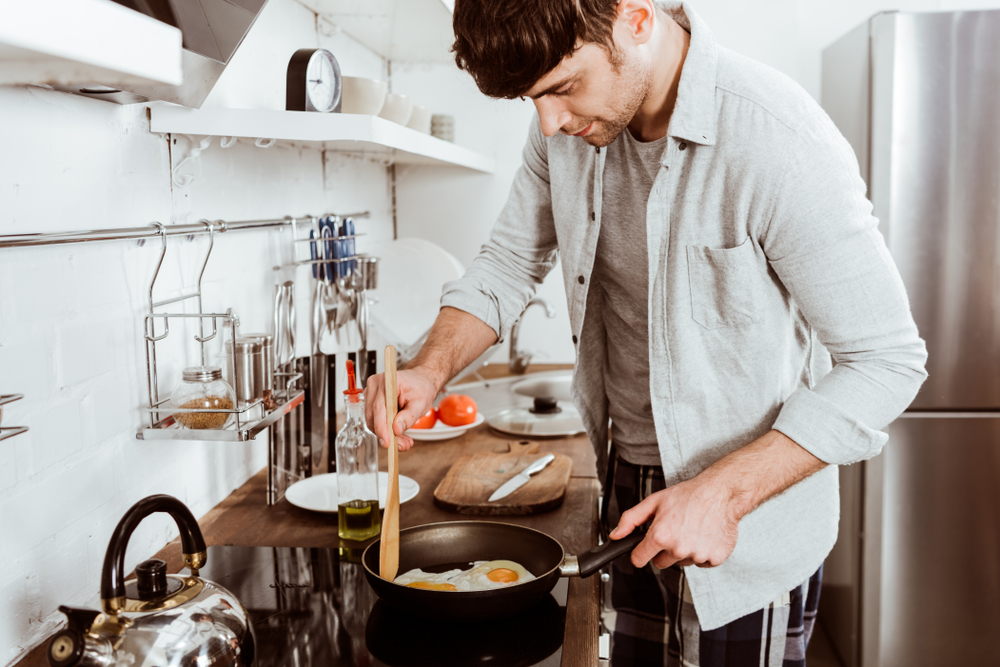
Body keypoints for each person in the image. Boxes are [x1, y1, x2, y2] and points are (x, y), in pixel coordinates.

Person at [364, 1, 928, 665]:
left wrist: (721, 492)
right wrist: (430, 367)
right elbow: (508, 263)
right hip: (627, 491)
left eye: (562, 87)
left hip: (747, 517)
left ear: (635, 18)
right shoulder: (565, 130)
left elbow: (887, 360)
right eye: (532, 99)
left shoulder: (777, 137)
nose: (549, 122)